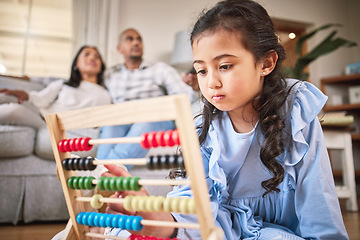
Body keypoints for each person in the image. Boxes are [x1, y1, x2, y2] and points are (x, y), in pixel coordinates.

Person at [101, 0, 350, 239]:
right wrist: (160, 221)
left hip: (277, 234)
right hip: (220, 231)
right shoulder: (203, 129)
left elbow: (319, 199)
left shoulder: (295, 113)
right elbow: (195, 206)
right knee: (121, 232)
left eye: (225, 66)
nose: (211, 83)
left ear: (266, 63)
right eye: (201, 70)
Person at [96, 28, 196, 162]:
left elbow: (184, 96)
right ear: (119, 48)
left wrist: (192, 86)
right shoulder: (110, 74)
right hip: (120, 118)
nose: (136, 42)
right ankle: (104, 173)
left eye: (139, 39)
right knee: (110, 125)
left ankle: (103, 175)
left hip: (153, 118)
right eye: (130, 39)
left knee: (144, 125)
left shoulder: (161, 69)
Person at [0, 45, 111, 128]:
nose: (92, 58)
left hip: (56, 127)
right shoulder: (63, 84)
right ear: (76, 63)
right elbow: (41, 99)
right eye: (86, 54)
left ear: (101, 66)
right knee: (5, 97)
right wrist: (26, 95)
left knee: (14, 111)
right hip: (44, 116)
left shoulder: (105, 94)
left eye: (97, 57)